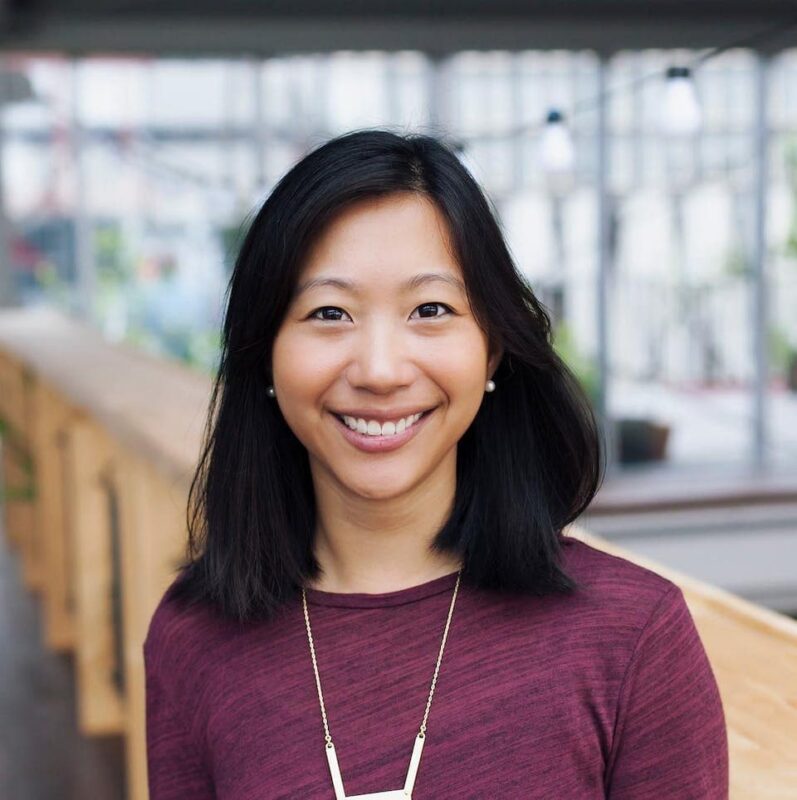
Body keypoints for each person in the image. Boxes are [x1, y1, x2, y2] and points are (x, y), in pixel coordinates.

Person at [143, 129, 729, 799]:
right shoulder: (194, 638)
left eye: (431, 310)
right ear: (265, 355)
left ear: (492, 350)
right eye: (329, 312)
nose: (381, 371)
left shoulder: (631, 634)